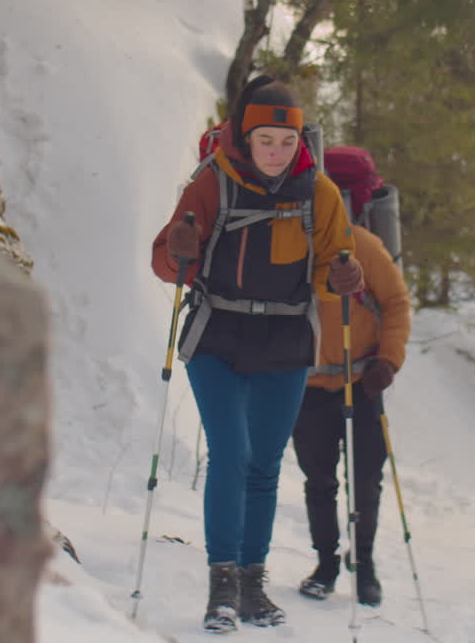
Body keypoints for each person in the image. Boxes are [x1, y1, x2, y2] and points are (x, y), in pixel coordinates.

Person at [151, 75, 364, 633]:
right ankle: (221, 585)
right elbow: (168, 259)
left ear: (301, 142)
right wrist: (179, 253)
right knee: (232, 451)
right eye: (265, 140)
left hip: (287, 341)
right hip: (218, 334)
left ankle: (252, 583)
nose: (275, 152)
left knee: (264, 466)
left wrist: (346, 275)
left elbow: (333, 264)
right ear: (245, 137)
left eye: (286, 142)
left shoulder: (318, 193)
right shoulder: (213, 182)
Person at [291, 146, 411, 607]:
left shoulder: (363, 244)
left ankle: (365, 564)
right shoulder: (293, 244)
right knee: (319, 480)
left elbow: (397, 303)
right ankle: (326, 562)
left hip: (364, 383)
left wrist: (388, 360)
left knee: (366, 480)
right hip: (307, 387)